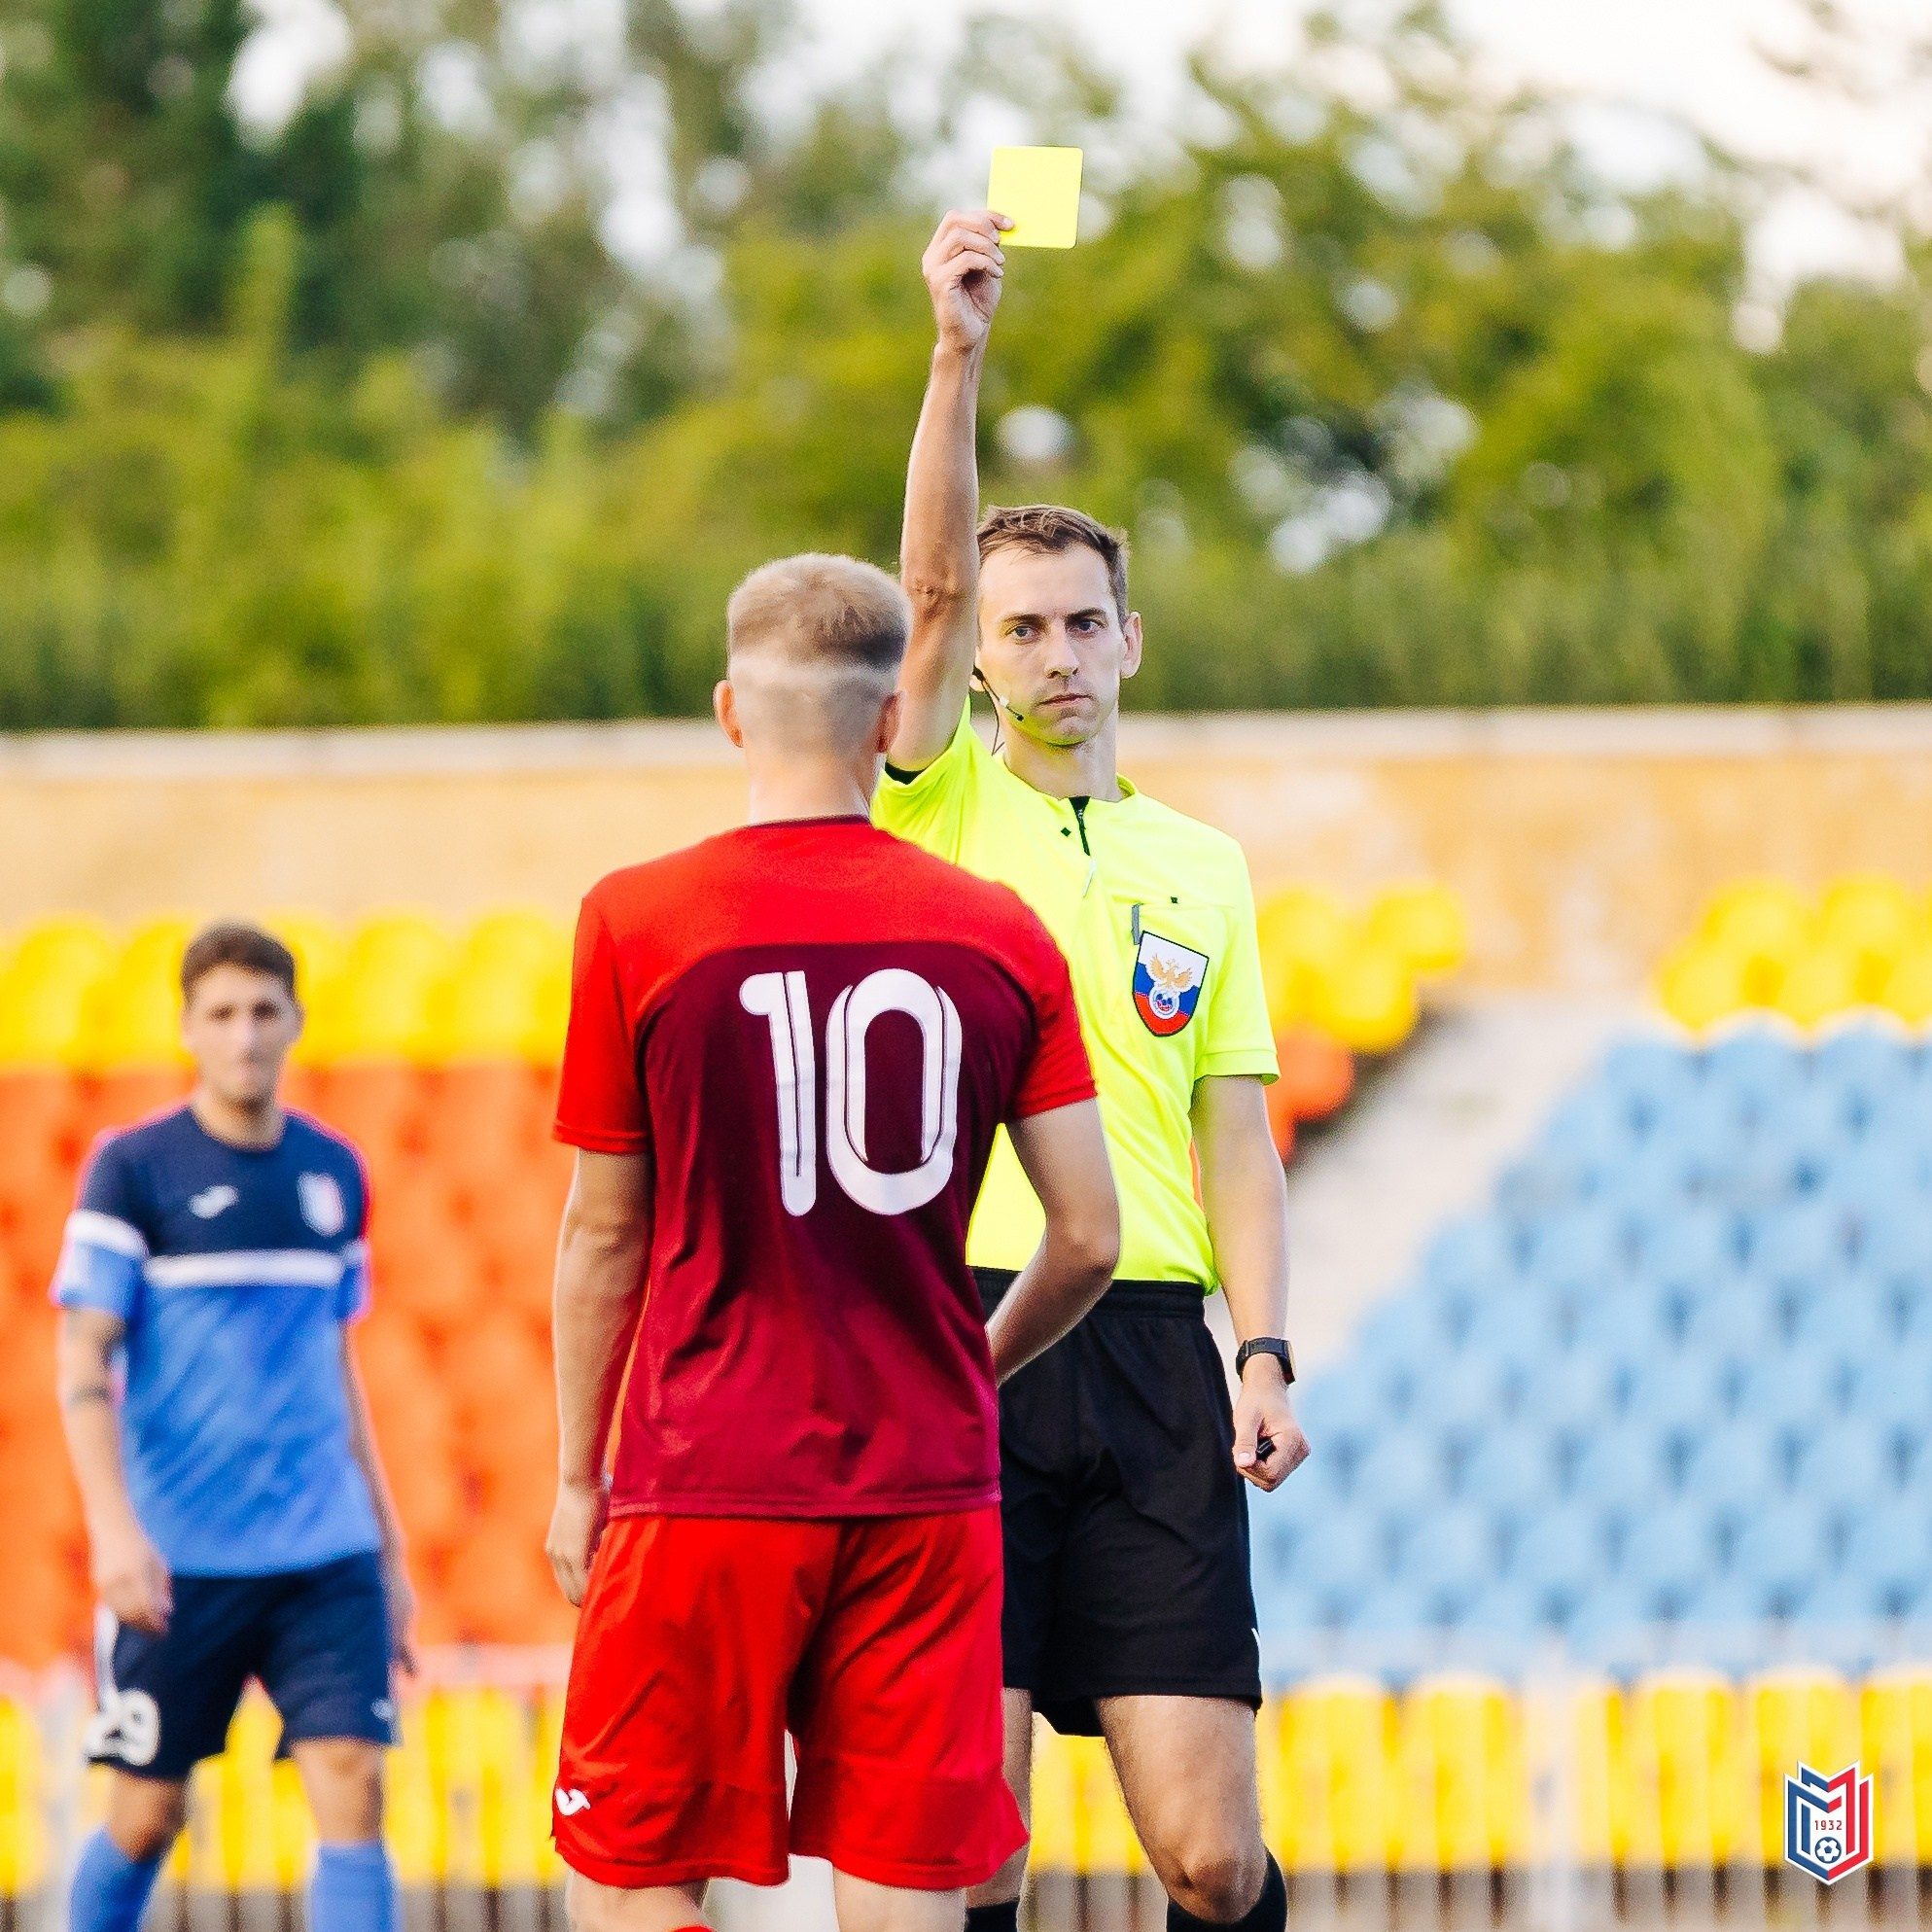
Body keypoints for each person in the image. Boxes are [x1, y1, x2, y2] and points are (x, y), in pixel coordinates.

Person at [543, 551, 1122, 1932]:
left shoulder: (637, 918)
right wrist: (966, 1362)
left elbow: (601, 1232)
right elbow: (1090, 1234)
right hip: (926, 1475)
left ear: (730, 712)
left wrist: (577, 1471)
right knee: (908, 1891)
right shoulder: (999, 930)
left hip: (704, 1474)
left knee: (626, 1880)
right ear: (884, 723)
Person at [875, 210, 1313, 1932]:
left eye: (1080, 621)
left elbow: (1238, 1133)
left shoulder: (1201, 863)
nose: (1052, 653)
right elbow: (910, 587)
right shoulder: (939, 803)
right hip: (964, 1325)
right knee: (973, 1843)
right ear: (977, 661)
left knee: (1206, 1855)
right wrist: (956, 351)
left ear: (1131, 640)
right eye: (1020, 629)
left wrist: (1261, 1348)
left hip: (1147, 1349)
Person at [53, 922, 415, 1932]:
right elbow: (82, 1356)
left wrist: (389, 1554)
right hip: (180, 1557)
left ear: (296, 1022)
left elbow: (338, 1366)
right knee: (144, 1811)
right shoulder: (133, 1169)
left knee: (351, 1776)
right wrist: (115, 1532)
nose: (245, 1036)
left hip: (323, 1549)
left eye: (264, 1011)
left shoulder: (334, 1172)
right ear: (188, 1027)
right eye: (222, 1013)